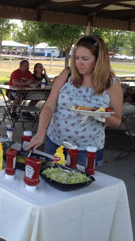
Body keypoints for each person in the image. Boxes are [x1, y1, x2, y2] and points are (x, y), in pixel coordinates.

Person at [27, 35, 123, 166]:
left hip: (87, 150)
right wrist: (40, 133)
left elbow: (117, 120)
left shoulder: (111, 83)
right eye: (76, 58)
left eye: (85, 59)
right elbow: (49, 106)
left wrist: (102, 116)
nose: (79, 63)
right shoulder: (67, 74)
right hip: (55, 142)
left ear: (99, 60)